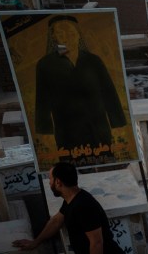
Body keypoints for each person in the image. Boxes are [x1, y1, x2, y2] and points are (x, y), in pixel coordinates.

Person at [34, 15, 128, 166]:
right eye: (60, 33)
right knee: (73, 170)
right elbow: (42, 101)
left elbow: (109, 93)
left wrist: (118, 125)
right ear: (53, 37)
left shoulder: (93, 61)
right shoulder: (45, 65)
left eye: (71, 33)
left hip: (98, 128)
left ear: (78, 34)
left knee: (105, 164)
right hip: (67, 130)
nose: (67, 37)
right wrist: (44, 133)